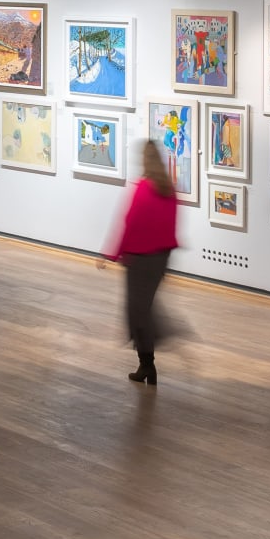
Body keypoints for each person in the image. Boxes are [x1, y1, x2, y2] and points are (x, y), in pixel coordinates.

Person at [104, 138, 181, 385]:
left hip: (139, 259)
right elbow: (171, 224)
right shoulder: (169, 189)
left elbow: (130, 223)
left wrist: (113, 254)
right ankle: (147, 365)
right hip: (160, 258)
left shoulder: (143, 188)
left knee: (137, 313)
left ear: (144, 161)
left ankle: (147, 364)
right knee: (144, 308)